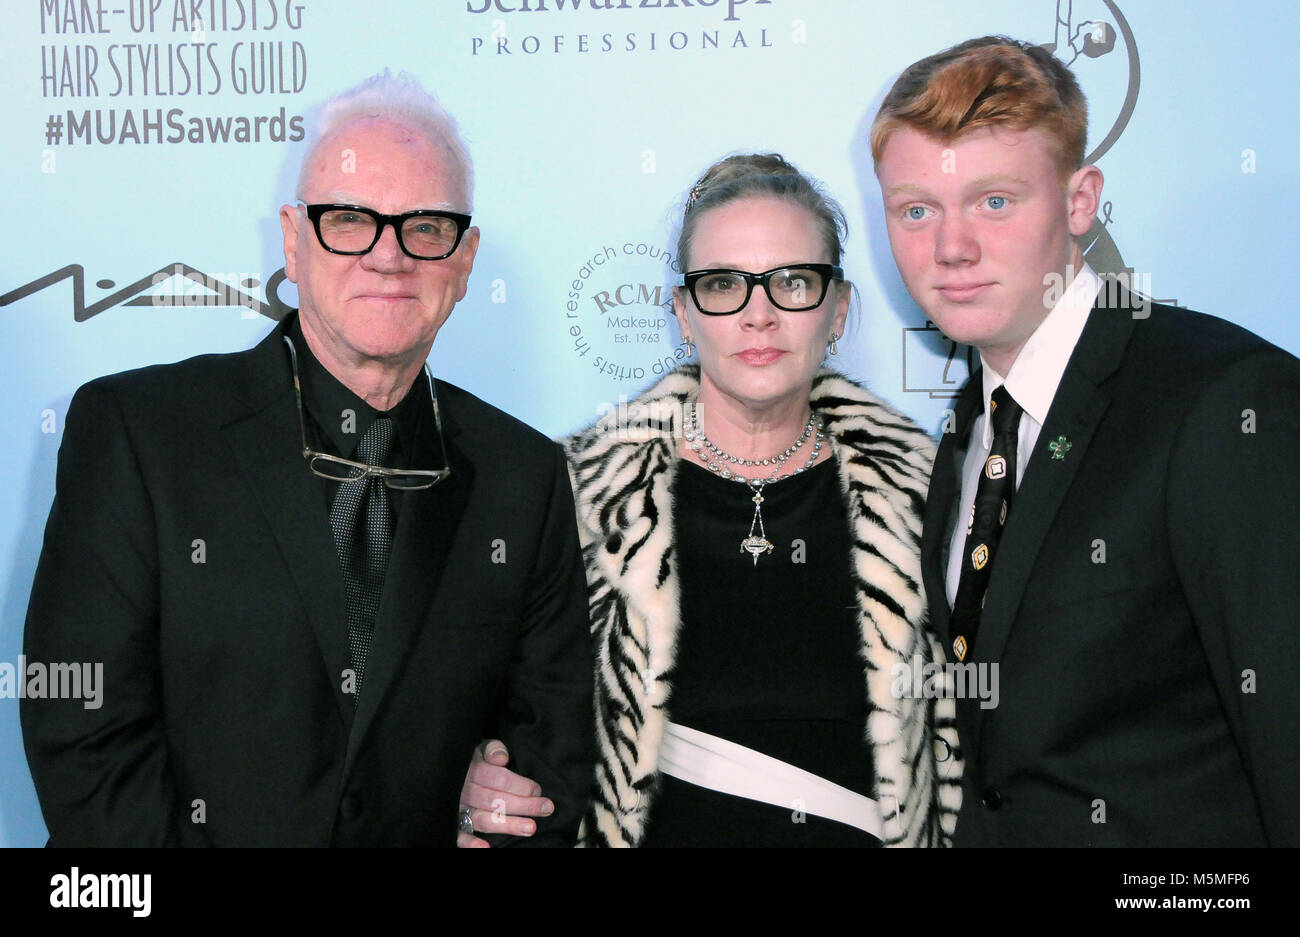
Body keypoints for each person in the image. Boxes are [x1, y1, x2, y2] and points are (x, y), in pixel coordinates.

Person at [20, 71, 594, 847]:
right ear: (293, 240)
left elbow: (546, 765)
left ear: (463, 261)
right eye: (350, 220)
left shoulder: (522, 477)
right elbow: (83, 739)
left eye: (426, 227)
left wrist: (495, 811)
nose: (389, 257)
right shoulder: (139, 434)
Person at [458, 154, 961, 847]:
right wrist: (472, 776)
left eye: (793, 282)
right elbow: (477, 710)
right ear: (684, 313)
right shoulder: (572, 498)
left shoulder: (932, 497)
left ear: (838, 308)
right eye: (723, 284)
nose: (759, 315)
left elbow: (976, 745)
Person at [869, 36, 1300, 845]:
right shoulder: (966, 430)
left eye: (995, 201)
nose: (951, 247)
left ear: (1080, 201)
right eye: (916, 209)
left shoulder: (1220, 397)